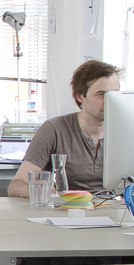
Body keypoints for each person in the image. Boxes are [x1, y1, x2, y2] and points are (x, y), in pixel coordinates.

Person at [7, 60, 121, 198]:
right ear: (80, 96)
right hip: (67, 207)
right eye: (101, 94)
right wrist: (41, 191)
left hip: (113, 207)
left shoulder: (125, 132)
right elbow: (16, 185)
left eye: (114, 94)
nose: (109, 100)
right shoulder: (54, 129)